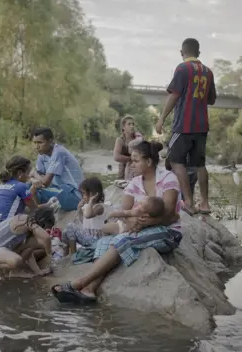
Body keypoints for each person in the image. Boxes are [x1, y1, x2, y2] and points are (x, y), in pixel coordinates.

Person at [51, 140, 182, 304]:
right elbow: (123, 213)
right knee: (104, 242)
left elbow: (170, 214)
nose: (131, 164)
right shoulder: (134, 183)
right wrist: (135, 220)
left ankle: (79, 283)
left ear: (148, 161)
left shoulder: (168, 178)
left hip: (167, 231)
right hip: (138, 229)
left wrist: (143, 222)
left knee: (122, 239)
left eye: (135, 161)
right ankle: (90, 291)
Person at [156, 38, 216, 216]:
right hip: (202, 126)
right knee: (200, 164)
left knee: (175, 161)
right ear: (198, 53)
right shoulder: (208, 72)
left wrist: (161, 118)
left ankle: (188, 202)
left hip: (183, 125)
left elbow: (174, 95)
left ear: (182, 53)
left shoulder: (182, 69)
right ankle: (204, 203)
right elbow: (212, 99)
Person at [0, 207, 55, 281]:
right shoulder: (24, 221)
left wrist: (38, 271)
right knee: (16, 260)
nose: (45, 230)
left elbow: (29, 251)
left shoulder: (29, 227)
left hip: (3, 249)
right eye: (45, 228)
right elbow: (46, 238)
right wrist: (49, 253)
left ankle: (15, 272)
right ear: (42, 221)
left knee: (29, 247)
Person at [31, 127, 84, 211]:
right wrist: (34, 178)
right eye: (35, 143)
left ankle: (38, 213)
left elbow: (45, 182)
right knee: (29, 187)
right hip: (59, 190)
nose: (37, 146)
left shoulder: (59, 152)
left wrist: (33, 173)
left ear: (51, 141)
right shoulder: (42, 154)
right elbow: (38, 178)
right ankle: (39, 213)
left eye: (40, 143)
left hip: (74, 195)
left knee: (31, 190)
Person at [62, 177, 108, 255]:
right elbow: (84, 222)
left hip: (96, 240)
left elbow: (88, 215)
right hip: (89, 238)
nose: (83, 196)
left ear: (92, 194)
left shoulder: (99, 207)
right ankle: (65, 253)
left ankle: (73, 254)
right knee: (65, 232)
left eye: (84, 194)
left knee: (70, 226)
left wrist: (90, 202)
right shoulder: (87, 206)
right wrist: (80, 210)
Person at [113, 115, 144, 181]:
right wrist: (132, 159)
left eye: (133, 124)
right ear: (123, 127)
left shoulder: (138, 138)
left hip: (137, 171)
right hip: (123, 171)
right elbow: (116, 157)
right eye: (129, 124)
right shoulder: (120, 140)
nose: (132, 126)